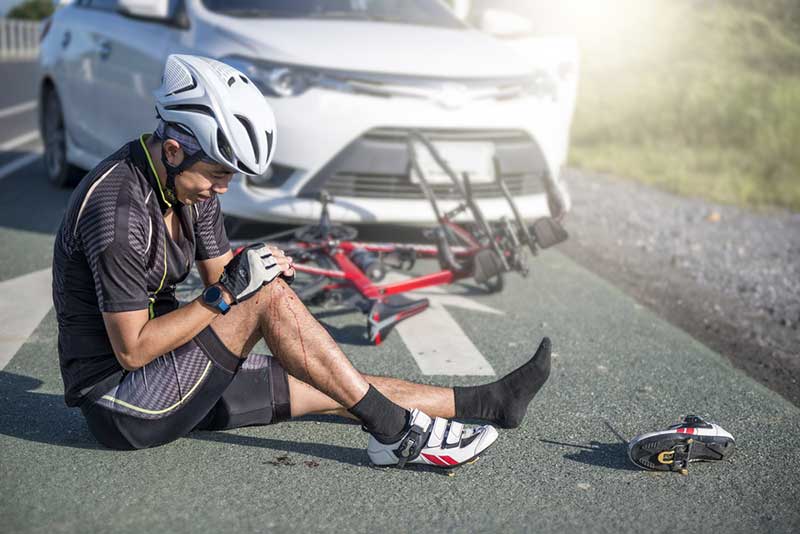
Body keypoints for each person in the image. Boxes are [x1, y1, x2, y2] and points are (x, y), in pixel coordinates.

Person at [52, 54, 552, 468]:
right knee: (267, 303)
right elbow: (135, 351)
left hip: (174, 367)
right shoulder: (117, 212)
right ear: (176, 149)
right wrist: (233, 292)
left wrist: (257, 267)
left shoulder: (193, 189)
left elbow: (222, 273)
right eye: (219, 173)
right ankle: (397, 434)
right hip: (123, 403)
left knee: (326, 379)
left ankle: (489, 404)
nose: (224, 188)